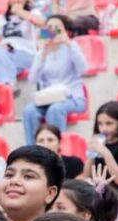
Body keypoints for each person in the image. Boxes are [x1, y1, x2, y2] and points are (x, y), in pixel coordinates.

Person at [22, 14, 88, 145]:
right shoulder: (42, 53)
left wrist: (68, 43)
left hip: (72, 97)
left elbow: (83, 69)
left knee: (55, 109)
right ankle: (32, 150)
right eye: (49, 28)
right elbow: (32, 79)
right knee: (29, 111)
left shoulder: (72, 47)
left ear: (65, 31)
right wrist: (43, 54)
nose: (53, 31)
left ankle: (56, 149)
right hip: (49, 98)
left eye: (57, 28)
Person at [84, 101, 118, 199]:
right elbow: (86, 174)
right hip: (98, 194)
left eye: (109, 123)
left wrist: (105, 152)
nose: (103, 128)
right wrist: (92, 153)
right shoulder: (99, 144)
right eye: (100, 124)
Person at [0, 0, 44, 89]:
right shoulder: (1, 18)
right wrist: (2, 48)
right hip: (1, 53)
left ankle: (5, 86)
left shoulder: (33, 12)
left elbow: (43, 24)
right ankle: (8, 85)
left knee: (0, 68)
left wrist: (20, 12)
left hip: (25, 54)